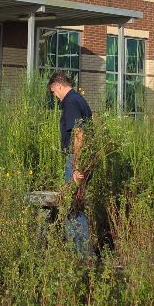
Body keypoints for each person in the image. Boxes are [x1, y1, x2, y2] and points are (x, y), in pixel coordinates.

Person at [48, 71, 92, 254]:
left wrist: (76, 166)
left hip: (75, 160)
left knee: (73, 207)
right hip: (82, 159)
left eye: (53, 92)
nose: (55, 96)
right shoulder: (79, 99)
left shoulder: (71, 102)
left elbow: (79, 134)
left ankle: (81, 255)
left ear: (58, 86)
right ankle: (79, 254)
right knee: (75, 205)